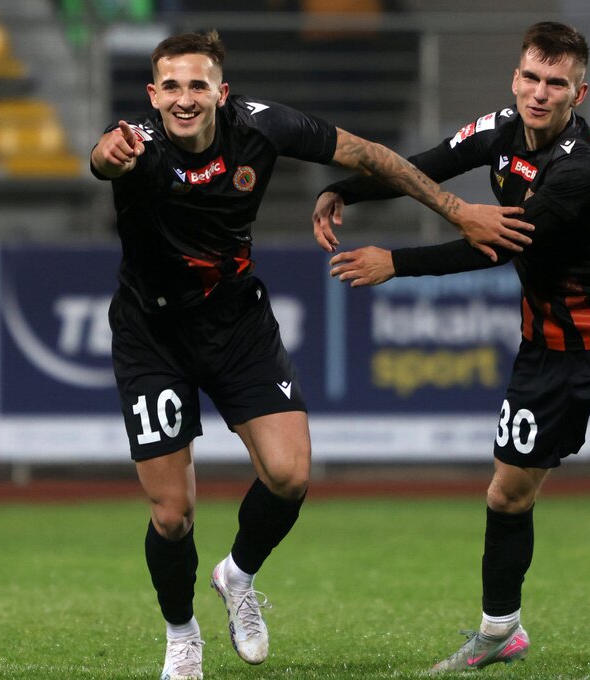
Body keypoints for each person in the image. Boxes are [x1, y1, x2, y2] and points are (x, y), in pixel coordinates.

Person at [89, 30, 532, 680]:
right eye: (172, 87)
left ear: (221, 92)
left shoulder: (262, 128)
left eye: (198, 85)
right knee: (173, 515)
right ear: (153, 94)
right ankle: (182, 637)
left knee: (290, 475)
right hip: (151, 336)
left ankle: (237, 575)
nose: (185, 99)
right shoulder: (136, 144)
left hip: (237, 324)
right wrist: (107, 152)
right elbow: (104, 158)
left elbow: (371, 155)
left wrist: (456, 209)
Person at [316, 21, 590, 675]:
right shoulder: (498, 131)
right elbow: (423, 168)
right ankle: (500, 630)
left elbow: (494, 245)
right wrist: (343, 189)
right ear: (516, 78)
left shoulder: (583, 168)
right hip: (545, 349)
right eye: (532, 78)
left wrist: (394, 262)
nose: (540, 93)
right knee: (507, 495)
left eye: (556, 84)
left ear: (579, 93)